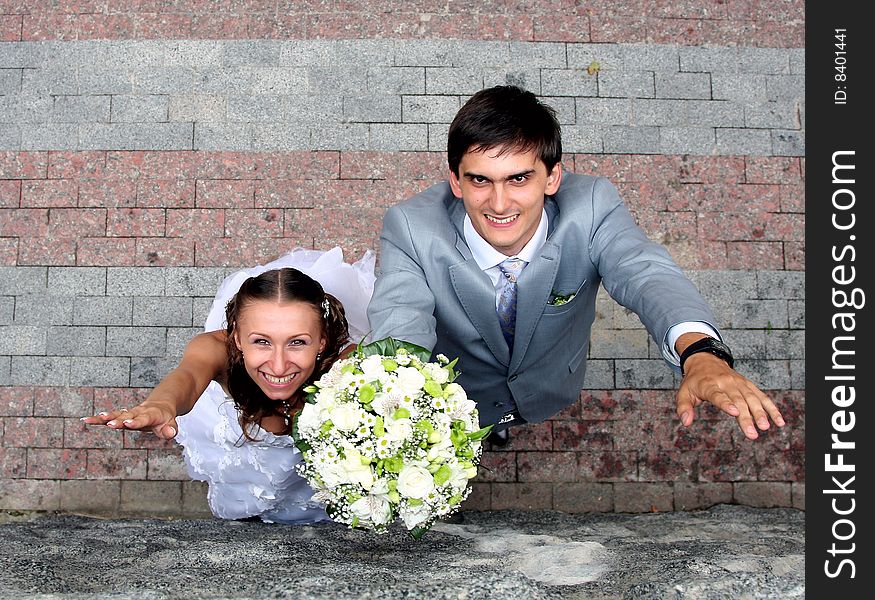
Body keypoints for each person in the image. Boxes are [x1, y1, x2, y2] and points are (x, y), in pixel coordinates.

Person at [365, 85, 785, 445]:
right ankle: (491, 426)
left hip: (550, 382)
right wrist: (395, 403)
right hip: (460, 392)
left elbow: (646, 272)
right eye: (480, 180)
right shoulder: (411, 226)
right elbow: (401, 318)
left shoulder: (593, 205)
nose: (498, 204)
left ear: (552, 178)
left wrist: (701, 353)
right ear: (456, 181)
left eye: (519, 178)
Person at [83, 248, 376, 523]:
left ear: (322, 341)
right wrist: (162, 404)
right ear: (236, 338)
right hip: (243, 499)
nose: (278, 365)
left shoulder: (350, 364)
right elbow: (188, 375)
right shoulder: (215, 349)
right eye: (261, 341)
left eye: (297, 342)